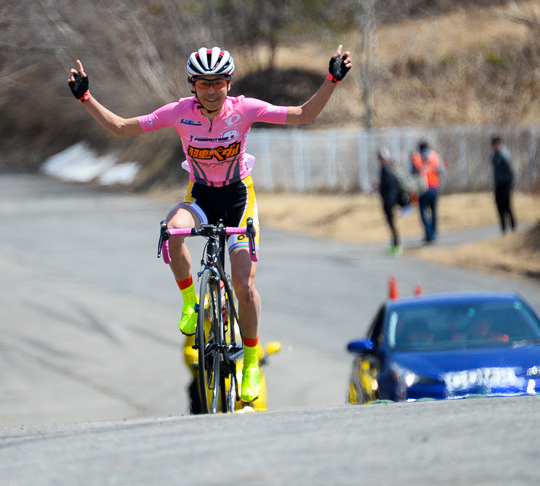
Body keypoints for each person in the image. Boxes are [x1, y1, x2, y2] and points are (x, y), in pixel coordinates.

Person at [68, 45, 352, 401]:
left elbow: (303, 114)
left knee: (243, 286)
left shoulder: (245, 109)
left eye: (218, 82)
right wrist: (86, 98)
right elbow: (123, 127)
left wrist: (331, 79)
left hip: (237, 199)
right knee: (171, 231)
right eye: (203, 84)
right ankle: (190, 302)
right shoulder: (178, 113)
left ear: (228, 84)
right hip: (201, 195)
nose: (211, 90)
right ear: (192, 86)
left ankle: (249, 360)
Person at [410, 140, 446, 244]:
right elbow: (443, 171)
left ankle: (429, 234)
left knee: (423, 212)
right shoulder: (435, 156)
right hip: (434, 187)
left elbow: (412, 172)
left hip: (422, 189)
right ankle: (433, 233)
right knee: (434, 211)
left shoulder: (416, 158)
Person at [376, 148, 402, 256]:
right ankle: (394, 246)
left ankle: (397, 247)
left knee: (392, 223)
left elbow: (389, 184)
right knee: (390, 224)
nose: (379, 159)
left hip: (389, 200)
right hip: (388, 199)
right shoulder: (387, 168)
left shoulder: (387, 169)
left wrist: (379, 186)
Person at [490, 135, 516, 234]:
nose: (495, 147)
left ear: (500, 144)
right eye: (493, 145)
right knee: (499, 205)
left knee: (507, 205)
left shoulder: (504, 155)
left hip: (506, 183)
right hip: (498, 184)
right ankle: (503, 227)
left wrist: (511, 183)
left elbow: (510, 170)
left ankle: (513, 225)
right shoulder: (494, 156)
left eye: (496, 144)